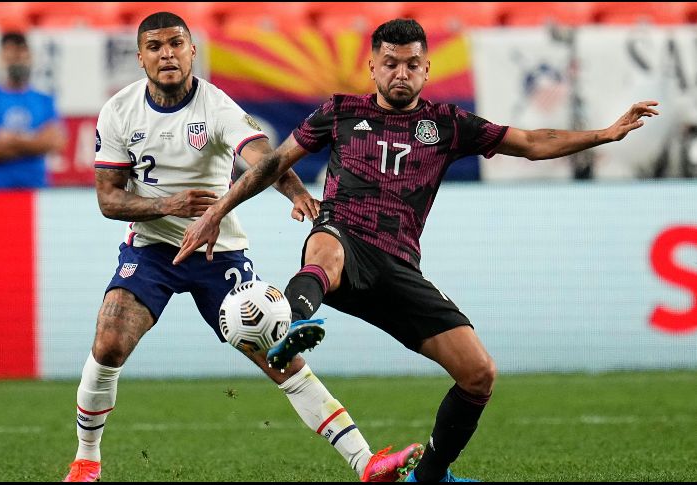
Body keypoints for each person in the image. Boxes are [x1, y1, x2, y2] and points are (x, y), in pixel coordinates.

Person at [174, 18, 660, 482]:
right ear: (372, 66)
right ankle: (295, 321)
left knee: (479, 374)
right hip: (343, 238)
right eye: (390, 63)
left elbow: (531, 141)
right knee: (325, 246)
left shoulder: (448, 123)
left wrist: (606, 133)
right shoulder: (341, 112)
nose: (400, 73)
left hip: (399, 266)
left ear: (427, 69)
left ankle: (429, 475)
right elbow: (271, 163)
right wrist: (218, 211)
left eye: (411, 64)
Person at [62, 12, 423, 483]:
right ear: (140, 58)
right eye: (155, 46)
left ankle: (366, 462)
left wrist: (296, 194)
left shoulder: (216, 107)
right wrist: (169, 204)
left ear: (193, 51)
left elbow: (264, 159)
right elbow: (109, 200)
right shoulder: (119, 111)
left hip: (220, 254)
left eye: (176, 43)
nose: (166, 53)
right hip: (151, 249)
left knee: (279, 358)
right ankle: (86, 460)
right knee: (109, 342)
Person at [0, 32, 65, 190]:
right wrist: (34, 141)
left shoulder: (44, 100)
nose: (18, 62)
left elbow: (55, 142)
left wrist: (10, 139)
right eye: (11, 57)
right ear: (1, 59)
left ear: (31, 58)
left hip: (35, 191)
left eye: (22, 56)